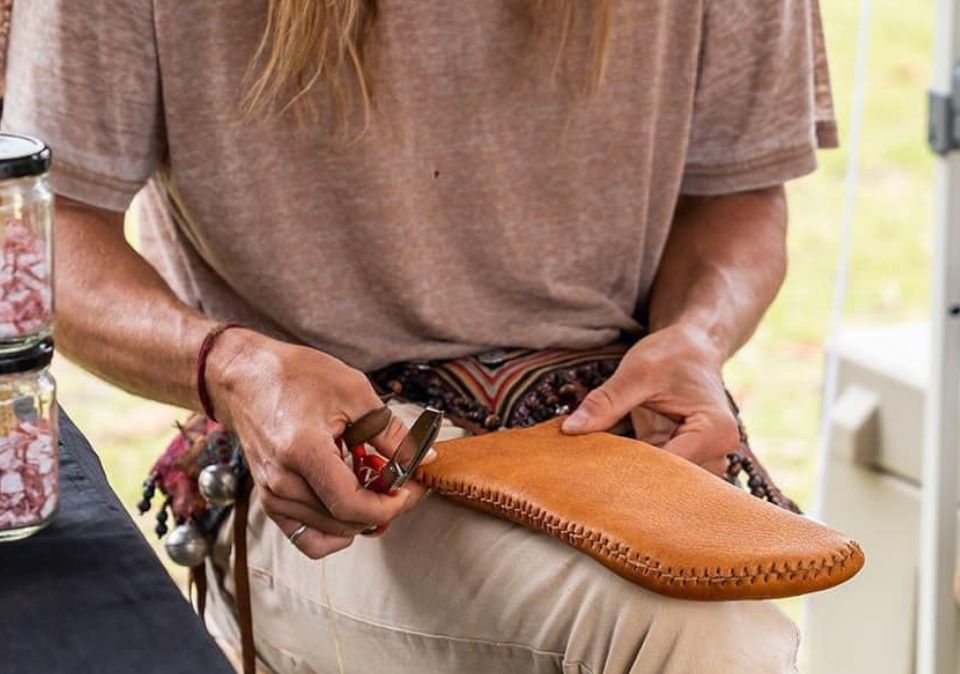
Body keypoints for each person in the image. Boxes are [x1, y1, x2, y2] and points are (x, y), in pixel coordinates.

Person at [3, 1, 835, 672]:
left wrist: (695, 335)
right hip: (328, 476)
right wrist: (235, 367)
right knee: (693, 638)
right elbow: (50, 232)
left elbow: (740, 193)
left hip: (610, 447)